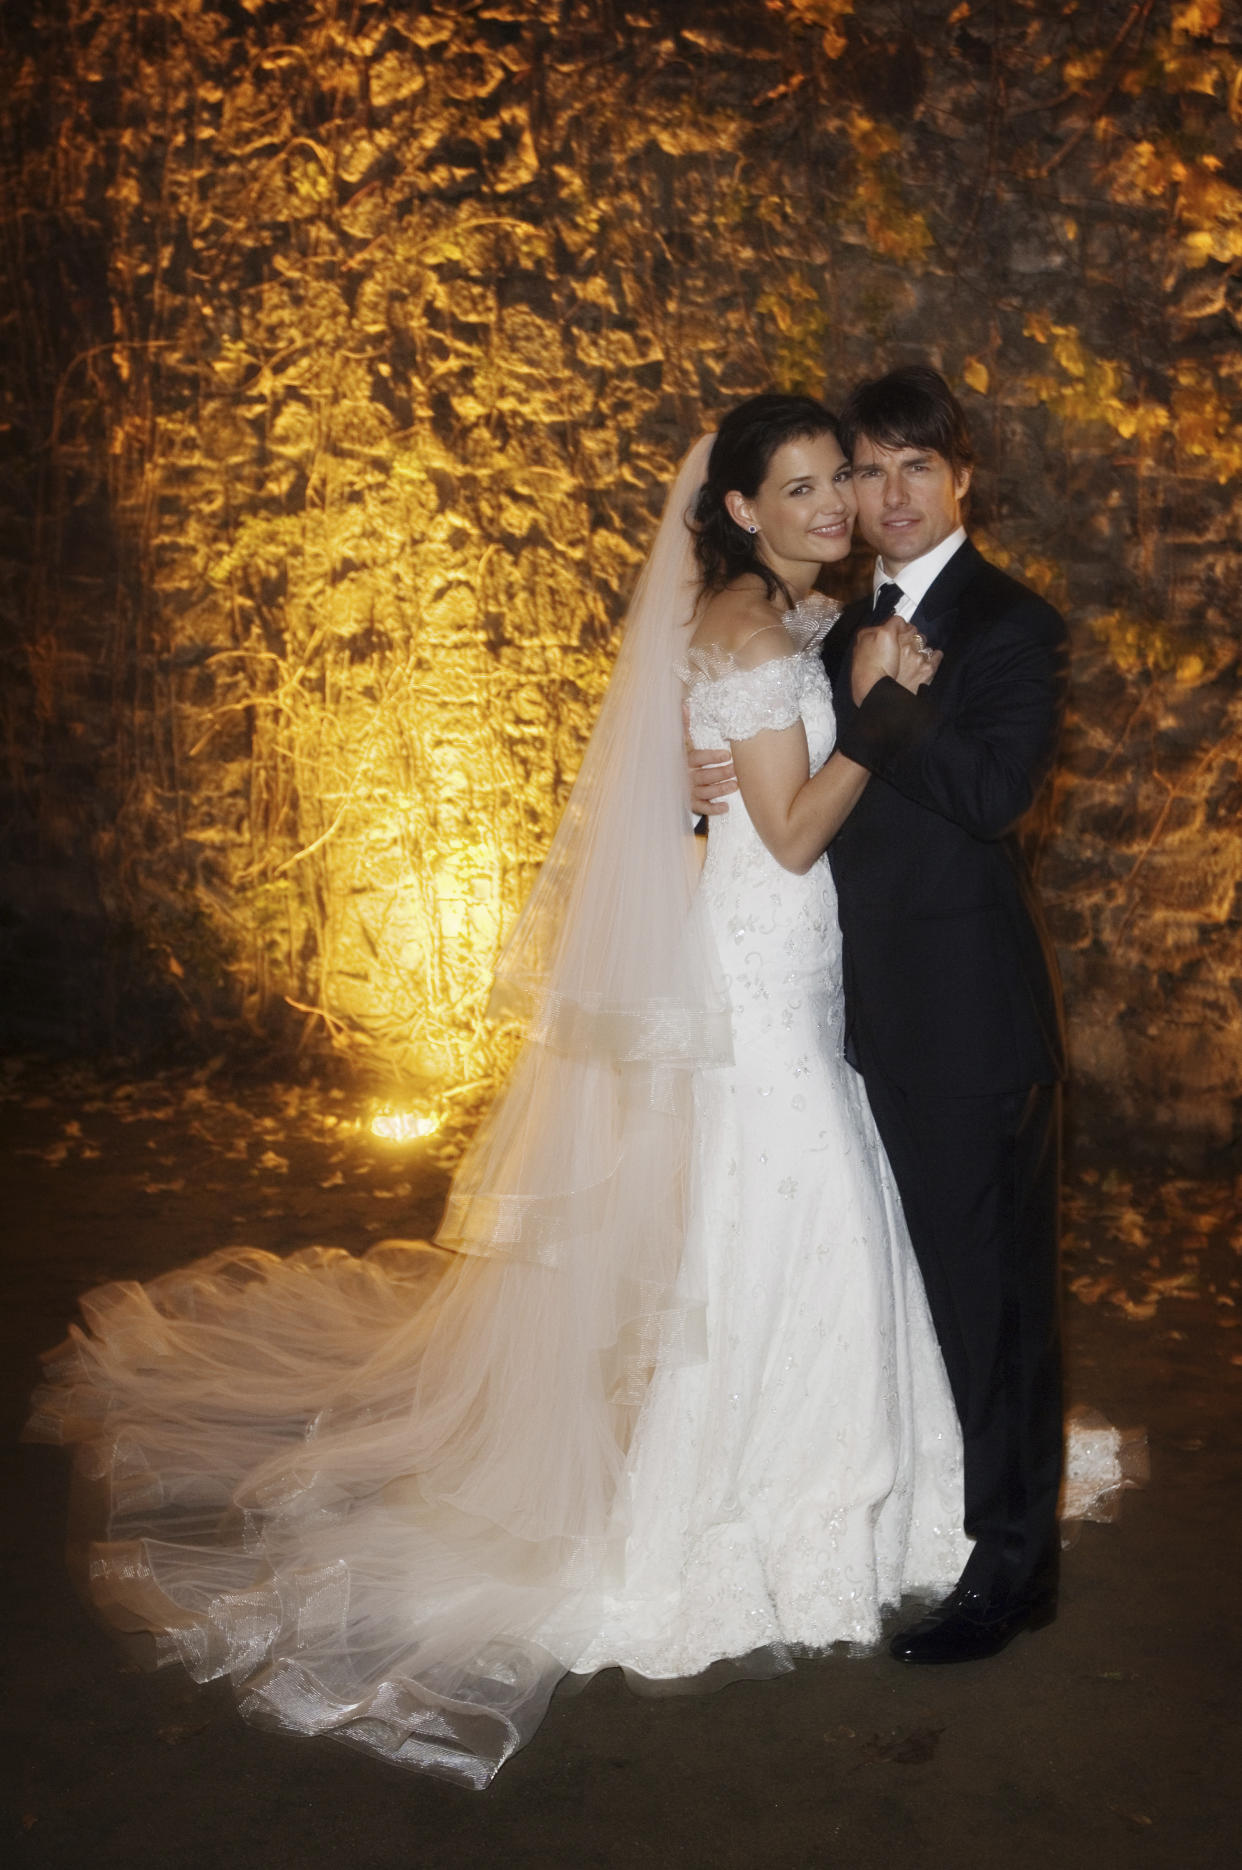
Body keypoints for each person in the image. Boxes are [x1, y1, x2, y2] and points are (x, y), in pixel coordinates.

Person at [27, 396, 967, 1791]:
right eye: (802, 485)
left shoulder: (761, 618)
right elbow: (790, 823)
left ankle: (838, 1487)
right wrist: (880, 709)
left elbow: (716, 770)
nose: (834, 502)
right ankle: (758, 1506)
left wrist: (824, 680)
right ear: (738, 510)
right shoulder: (752, 626)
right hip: (764, 962)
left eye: (839, 477)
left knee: (782, 1200)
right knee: (799, 1195)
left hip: (779, 954)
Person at [691, 365, 1069, 1664]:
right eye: (866, 468)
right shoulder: (832, 611)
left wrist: (878, 703)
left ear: (959, 477)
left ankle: (1012, 1570)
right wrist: (711, 777)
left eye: (914, 466)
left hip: (965, 1025)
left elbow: (990, 792)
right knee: (902, 1291)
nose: (883, 493)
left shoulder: (1011, 624)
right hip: (849, 1016)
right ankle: (927, 1506)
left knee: (992, 1305)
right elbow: (766, 755)